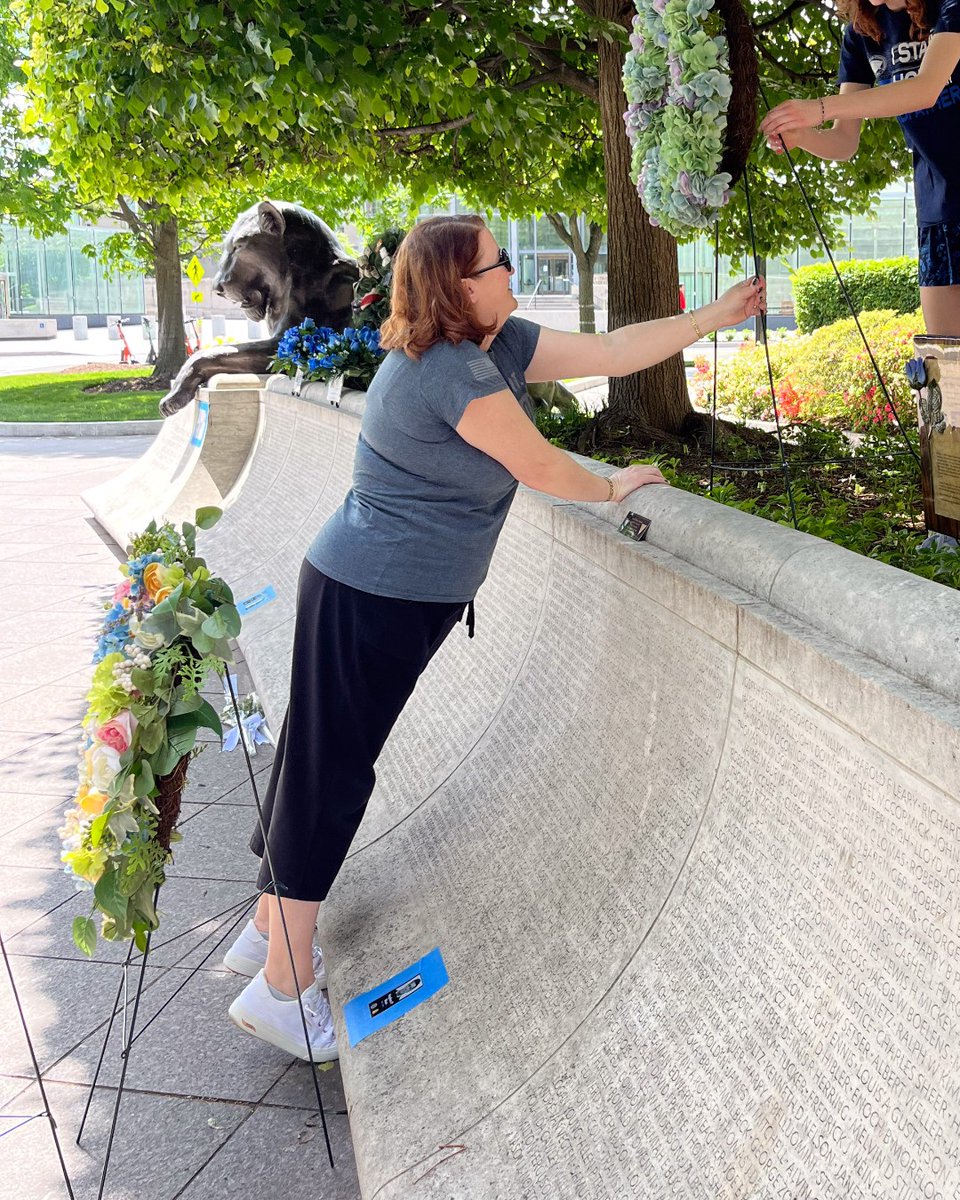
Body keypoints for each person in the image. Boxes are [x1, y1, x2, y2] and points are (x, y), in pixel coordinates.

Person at [223, 215, 766, 1061]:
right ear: (458, 286)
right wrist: (614, 485)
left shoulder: (496, 344)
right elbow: (541, 466)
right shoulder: (447, 371)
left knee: (316, 755)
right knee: (329, 773)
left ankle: (269, 931)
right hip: (372, 594)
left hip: (369, 586)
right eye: (497, 263)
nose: (512, 272)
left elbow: (612, 351)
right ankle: (283, 985)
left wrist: (713, 317)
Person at [761, 0, 960, 336]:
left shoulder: (948, 5)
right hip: (937, 204)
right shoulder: (862, 32)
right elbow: (844, 141)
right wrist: (801, 135)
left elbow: (926, 89)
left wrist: (820, 108)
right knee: (943, 356)